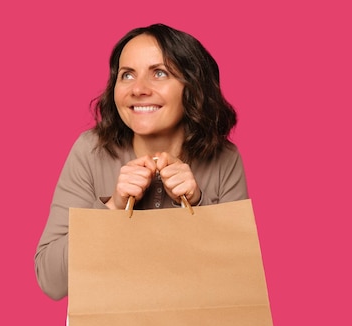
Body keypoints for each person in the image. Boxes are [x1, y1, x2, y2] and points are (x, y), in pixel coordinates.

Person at [35, 23, 249, 301]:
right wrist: (111, 208)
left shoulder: (224, 158)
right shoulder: (90, 151)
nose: (138, 89)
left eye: (159, 73)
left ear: (193, 86)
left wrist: (197, 206)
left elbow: (241, 282)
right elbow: (51, 281)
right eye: (127, 75)